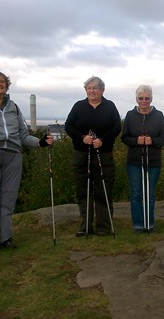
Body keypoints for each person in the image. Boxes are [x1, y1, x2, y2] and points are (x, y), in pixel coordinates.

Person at [0, 71, 53, 252]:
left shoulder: (13, 107)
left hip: (13, 155)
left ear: (7, 85)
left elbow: (23, 135)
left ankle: (6, 237)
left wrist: (40, 142)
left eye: (2, 81)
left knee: (8, 199)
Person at [65, 76, 121, 237]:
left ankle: (104, 226)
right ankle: (85, 226)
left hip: (103, 154)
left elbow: (116, 127)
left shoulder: (110, 106)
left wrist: (102, 140)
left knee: (103, 190)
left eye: (94, 87)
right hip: (81, 154)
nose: (91, 90)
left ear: (102, 90)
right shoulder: (79, 106)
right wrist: (81, 137)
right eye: (88, 88)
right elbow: (68, 126)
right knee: (83, 190)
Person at [121, 85, 164, 233]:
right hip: (134, 161)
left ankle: (149, 223)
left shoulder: (159, 115)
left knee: (150, 194)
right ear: (136, 99)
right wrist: (136, 141)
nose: (144, 101)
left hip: (153, 161)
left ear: (151, 99)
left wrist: (152, 141)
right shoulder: (130, 115)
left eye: (147, 98)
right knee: (136, 193)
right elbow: (124, 137)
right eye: (141, 98)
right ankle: (138, 224)